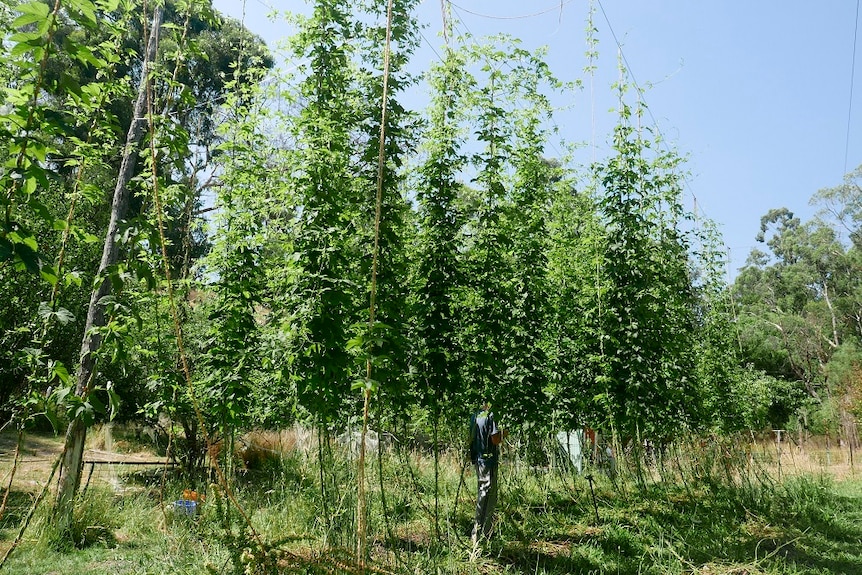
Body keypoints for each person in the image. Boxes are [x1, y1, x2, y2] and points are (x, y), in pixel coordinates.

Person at [468, 402, 506, 543]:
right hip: (488, 461)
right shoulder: (491, 416)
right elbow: (495, 439)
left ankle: (481, 533)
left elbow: (471, 439)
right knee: (488, 496)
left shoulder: (475, 416)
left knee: (482, 493)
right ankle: (482, 534)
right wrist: (505, 433)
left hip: (478, 460)